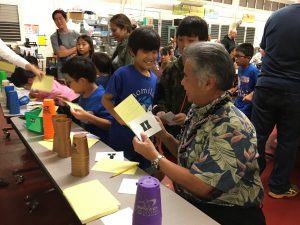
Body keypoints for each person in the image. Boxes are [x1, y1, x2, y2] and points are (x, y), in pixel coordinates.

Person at [133, 42, 266, 225]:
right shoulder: (200, 109)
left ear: (208, 82)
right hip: (194, 203)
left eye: (186, 76)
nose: (182, 82)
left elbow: (203, 186)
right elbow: (190, 154)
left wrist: (154, 156)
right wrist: (164, 135)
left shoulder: (232, 126)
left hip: (226, 213)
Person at [251, 1, 300, 199]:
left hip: (265, 85)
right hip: (295, 89)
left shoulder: (276, 16)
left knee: (257, 136)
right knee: (288, 140)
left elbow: (264, 50)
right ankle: (278, 187)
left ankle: (249, 180)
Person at [102, 27, 160, 169]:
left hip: (143, 137)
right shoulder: (122, 74)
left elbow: (148, 108)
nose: (150, 56)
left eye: (154, 52)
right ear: (132, 52)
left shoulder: (153, 78)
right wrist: (117, 116)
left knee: (142, 173)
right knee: (119, 173)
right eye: (145, 51)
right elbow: (106, 99)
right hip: (121, 136)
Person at [155, 16, 208, 161]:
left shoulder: (209, 72)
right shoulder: (171, 69)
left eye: (191, 41)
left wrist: (189, 118)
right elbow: (160, 96)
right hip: (170, 134)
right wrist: (161, 111)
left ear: (204, 41)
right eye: (180, 39)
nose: (184, 45)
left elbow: (212, 107)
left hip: (195, 140)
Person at [61, 56, 112, 144]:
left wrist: (88, 117)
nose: (68, 85)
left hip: (102, 145)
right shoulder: (84, 92)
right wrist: (69, 104)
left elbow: (110, 125)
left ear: (82, 81)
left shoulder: (102, 97)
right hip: (87, 141)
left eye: (69, 82)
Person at [50, 9, 80, 80]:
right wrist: (76, 48)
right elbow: (60, 54)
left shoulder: (75, 34)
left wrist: (66, 51)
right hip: (62, 71)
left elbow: (82, 50)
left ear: (65, 19)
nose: (59, 21)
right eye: (56, 19)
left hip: (76, 69)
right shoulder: (54, 37)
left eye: (60, 18)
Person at [234, 43, 259, 119]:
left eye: (238, 56)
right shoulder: (240, 68)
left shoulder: (253, 70)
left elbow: (259, 87)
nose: (236, 59)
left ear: (248, 58)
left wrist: (251, 95)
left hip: (247, 105)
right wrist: (234, 89)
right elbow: (241, 83)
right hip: (238, 101)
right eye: (235, 56)